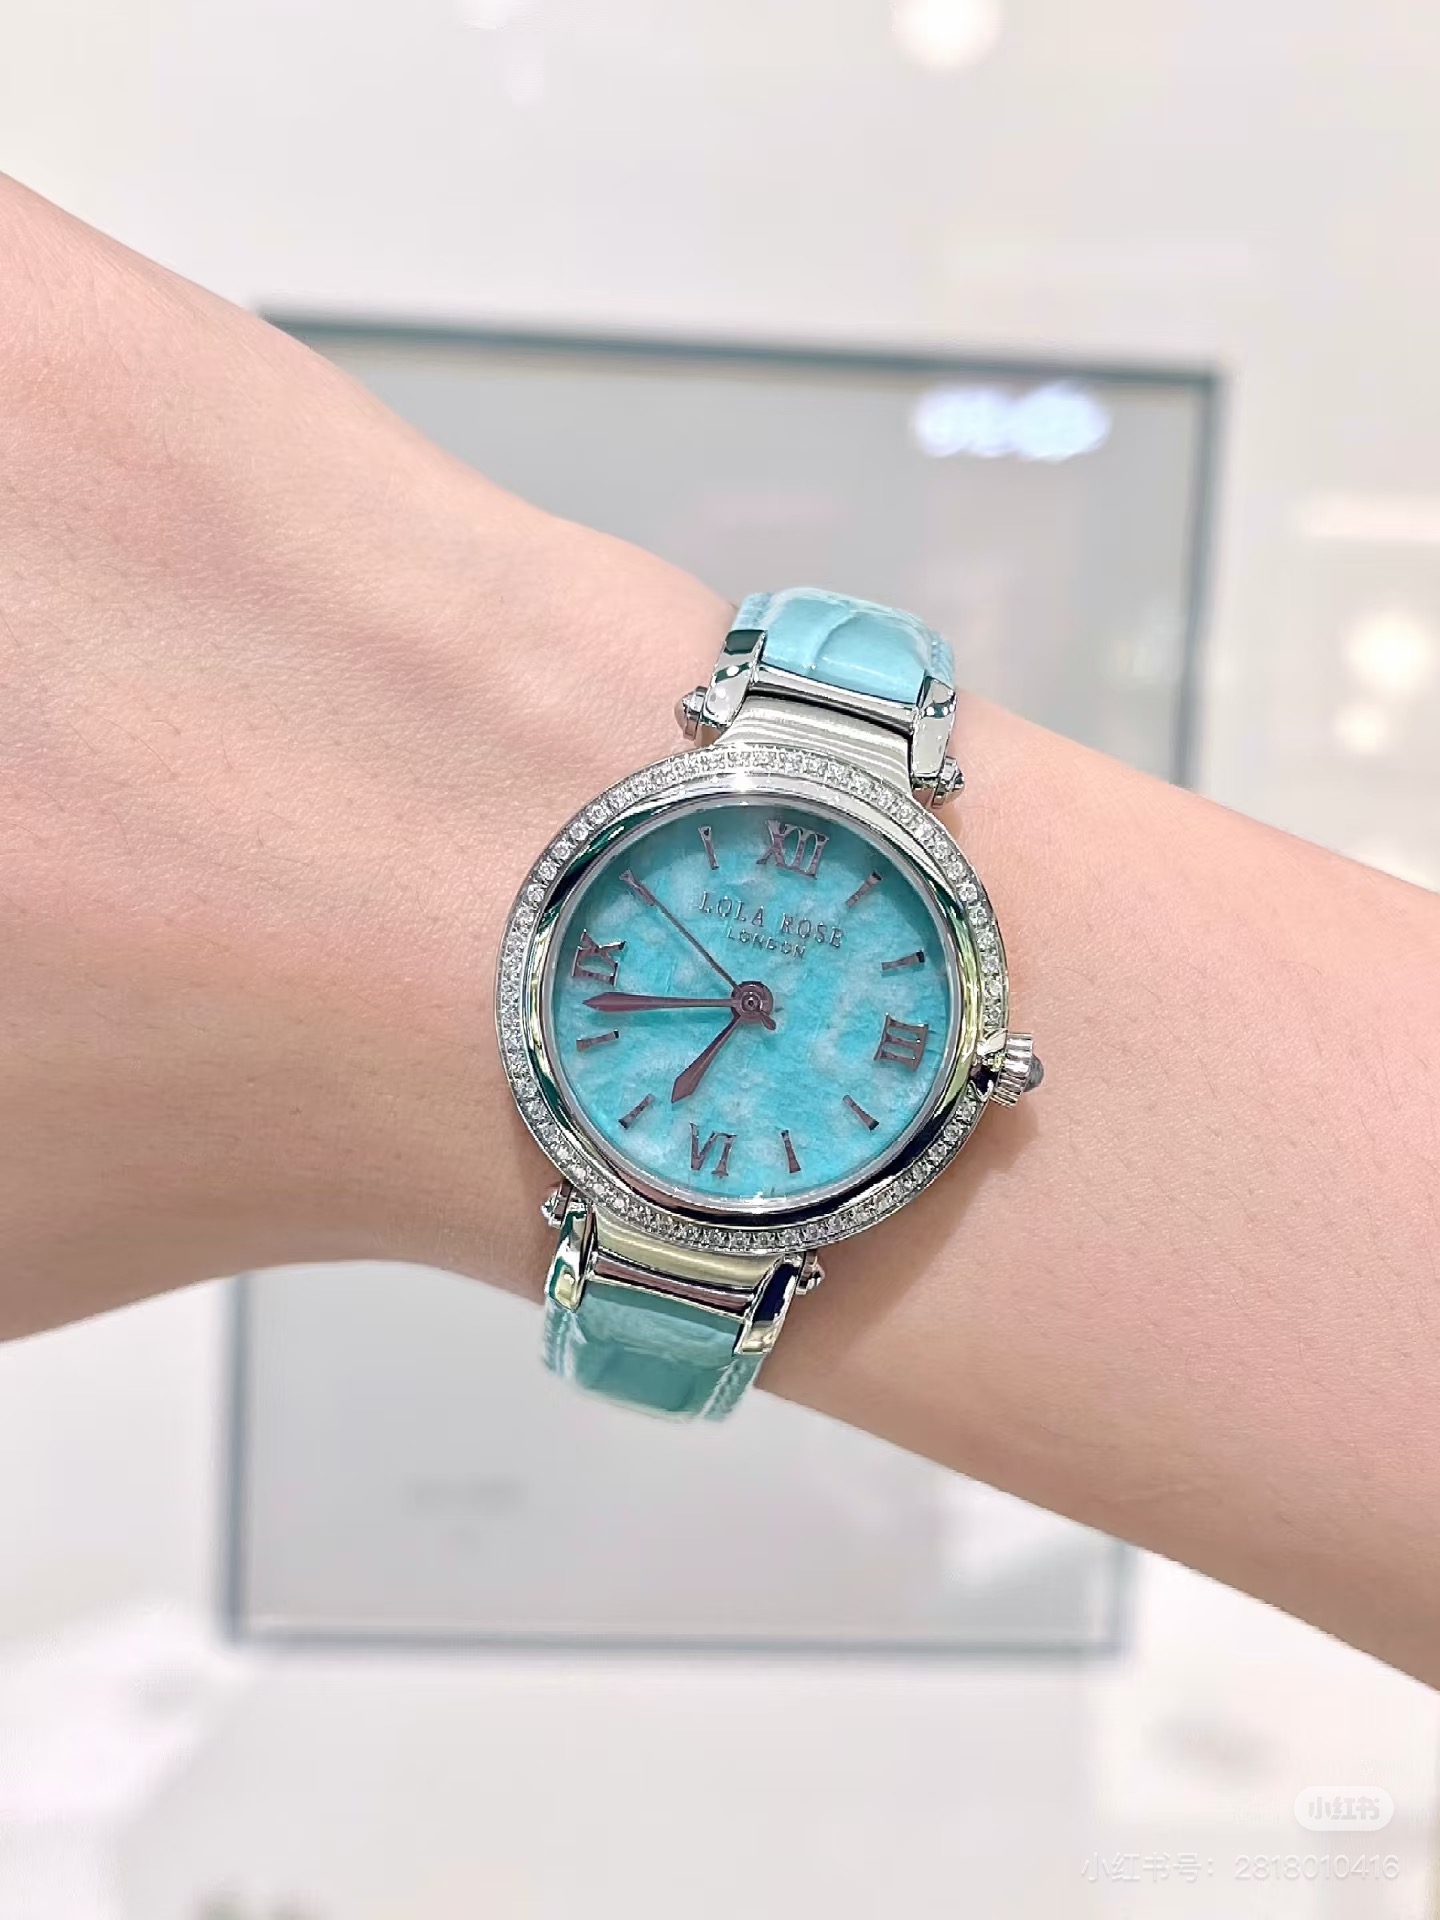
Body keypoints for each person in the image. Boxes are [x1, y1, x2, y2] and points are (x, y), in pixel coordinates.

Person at [3, 173, 1437, 1683]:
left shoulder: (902, 1055)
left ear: (982, 1068)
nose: (757, 1002)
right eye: (748, 997)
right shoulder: (704, 955)